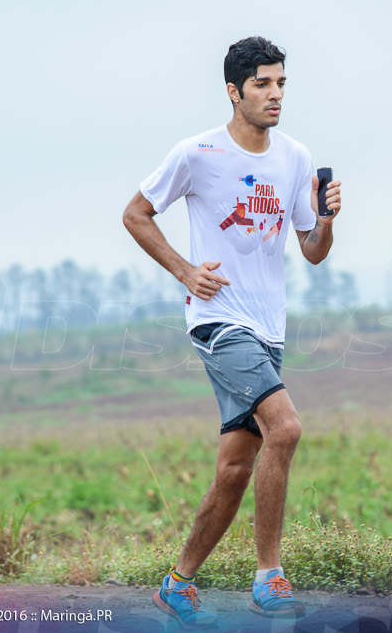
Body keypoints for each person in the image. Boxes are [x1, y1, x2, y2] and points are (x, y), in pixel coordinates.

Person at [122, 35, 342, 627]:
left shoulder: (294, 156)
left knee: (235, 469)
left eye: (281, 84)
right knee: (287, 428)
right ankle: (269, 574)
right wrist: (186, 271)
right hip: (220, 324)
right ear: (233, 91)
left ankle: (177, 583)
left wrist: (324, 219)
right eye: (263, 85)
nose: (275, 95)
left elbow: (313, 252)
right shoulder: (196, 153)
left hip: (269, 329)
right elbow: (135, 214)